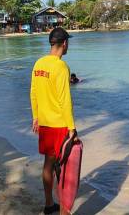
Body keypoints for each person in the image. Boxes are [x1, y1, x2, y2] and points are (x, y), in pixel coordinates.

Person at [30, 27, 78, 215]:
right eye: (68, 43)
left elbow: (33, 92)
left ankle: (50, 204)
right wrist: (72, 128)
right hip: (59, 125)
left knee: (48, 165)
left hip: (44, 123)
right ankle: (64, 210)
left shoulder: (39, 63)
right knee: (63, 169)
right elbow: (65, 100)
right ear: (64, 43)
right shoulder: (61, 66)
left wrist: (35, 116)